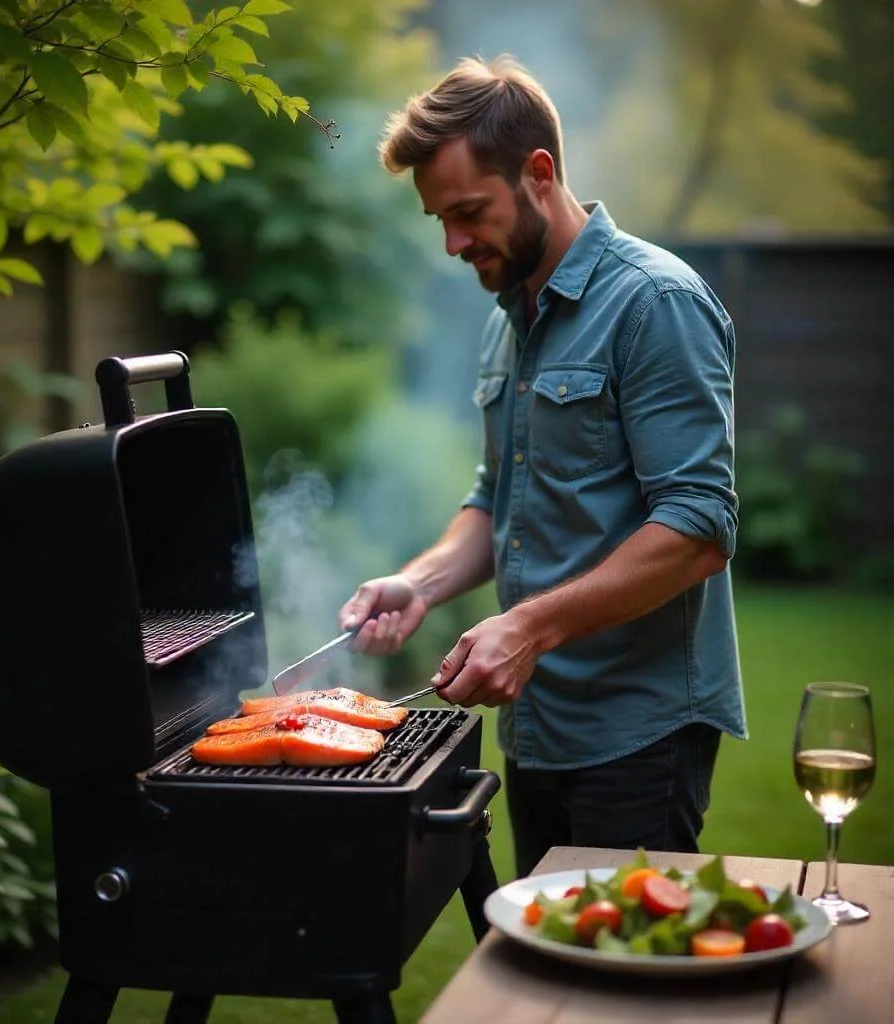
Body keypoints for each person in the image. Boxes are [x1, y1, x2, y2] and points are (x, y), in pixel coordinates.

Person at [338, 56, 746, 878]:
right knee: (548, 973)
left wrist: (524, 627)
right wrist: (420, 584)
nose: (453, 243)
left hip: (638, 729)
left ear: (538, 173)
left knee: (626, 987)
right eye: (438, 221)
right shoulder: (513, 314)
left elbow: (700, 527)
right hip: (536, 719)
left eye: (468, 212)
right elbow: (499, 498)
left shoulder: (655, 303)